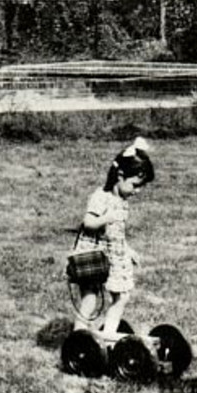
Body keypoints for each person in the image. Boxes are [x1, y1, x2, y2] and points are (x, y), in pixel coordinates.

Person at [69, 138, 155, 339]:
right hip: (95, 254)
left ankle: (108, 336)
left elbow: (117, 233)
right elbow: (88, 222)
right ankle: (78, 338)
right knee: (90, 298)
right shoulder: (102, 196)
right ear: (120, 175)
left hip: (115, 254)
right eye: (135, 185)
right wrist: (105, 218)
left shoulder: (122, 201)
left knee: (122, 296)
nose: (137, 191)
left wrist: (128, 249)